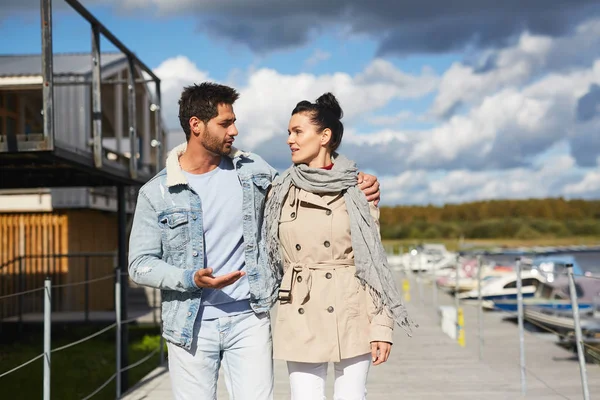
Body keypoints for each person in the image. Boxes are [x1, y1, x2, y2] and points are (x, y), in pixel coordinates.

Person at [127, 82, 382, 400]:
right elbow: (140, 264)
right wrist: (189, 278)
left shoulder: (254, 171)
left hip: (250, 317)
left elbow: (313, 177)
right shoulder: (158, 191)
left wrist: (355, 178)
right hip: (190, 323)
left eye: (234, 121)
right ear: (196, 125)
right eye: (225, 123)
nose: (234, 130)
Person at [264, 93, 415, 399]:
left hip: (352, 308)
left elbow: (374, 263)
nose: (289, 140)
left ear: (325, 136)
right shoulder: (279, 190)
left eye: (297, 131)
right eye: (288, 132)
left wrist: (381, 328)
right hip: (300, 306)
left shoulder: (358, 189)